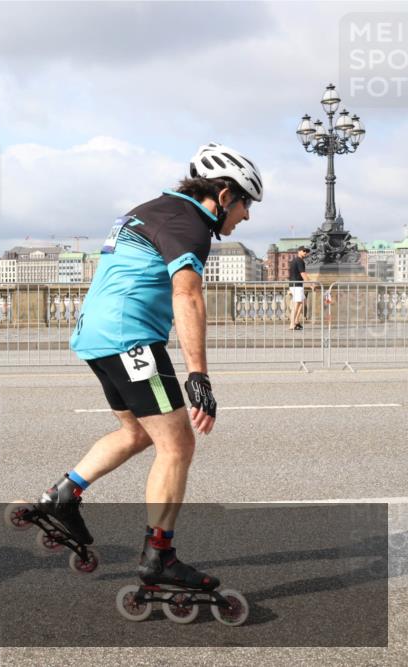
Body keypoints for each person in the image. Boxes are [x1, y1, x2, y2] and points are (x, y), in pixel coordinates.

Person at [37, 143, 262, 590]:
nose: (246, 216)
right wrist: (198, 376)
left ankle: (63, 495)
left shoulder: (151, 209)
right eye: (245, 203)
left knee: (138, 433)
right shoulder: (190, 224)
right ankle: (160, 555)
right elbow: (188, 295)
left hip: (96, 337)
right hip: (131, 339)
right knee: (177, 446)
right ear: (222, 193)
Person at [288, 246, 311, 330]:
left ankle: (296, 321)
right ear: (299, 251)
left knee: (303, 302)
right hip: (297, 285)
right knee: (296, 304)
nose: (305, 252)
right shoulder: (299, 260)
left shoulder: (295, 260)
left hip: (296, 285)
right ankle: (292, 324)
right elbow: (303, 274)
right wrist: (311, 284)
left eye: (307, 251)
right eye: (304, 251)